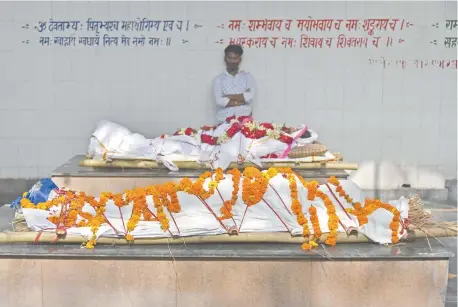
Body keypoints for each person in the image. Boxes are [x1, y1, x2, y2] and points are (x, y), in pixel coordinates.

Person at [213, 44, 255, 123]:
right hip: (224, 120)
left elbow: (250, 97)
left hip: (245, 120)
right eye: (230, 58)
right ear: (225, 59)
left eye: (235, 58)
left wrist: (228, 96)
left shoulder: (248, 76)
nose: (232, 61)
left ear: (240, 59)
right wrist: (241, 101)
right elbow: (219, 101)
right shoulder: (218, 79)